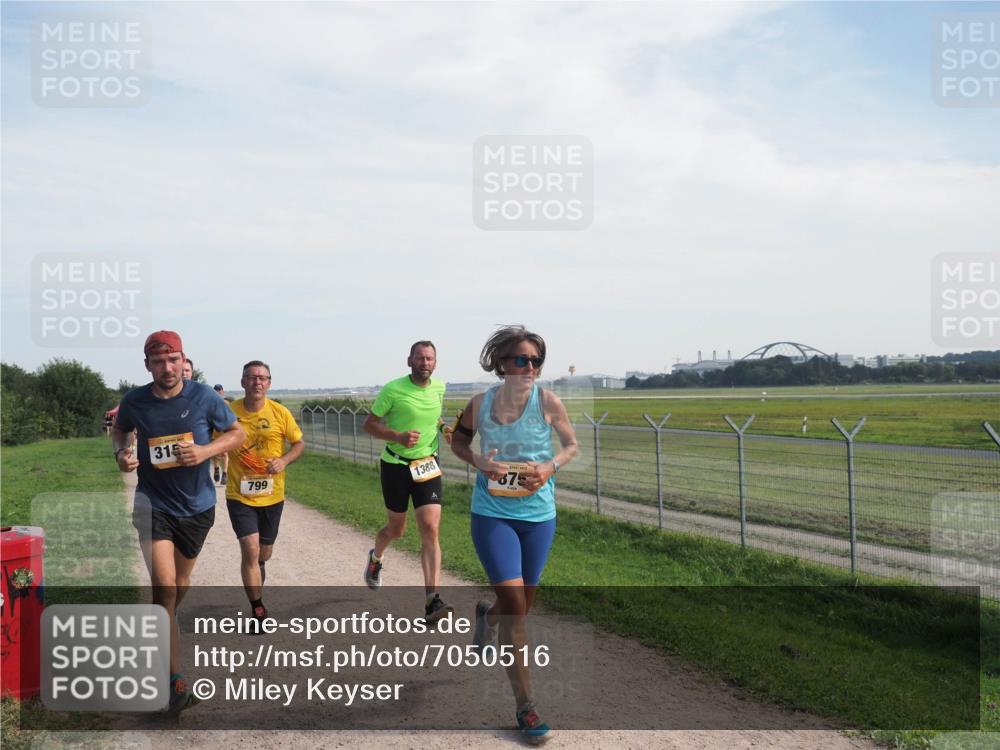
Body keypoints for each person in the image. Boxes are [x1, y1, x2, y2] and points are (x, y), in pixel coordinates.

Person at [450, 325, 578, 745]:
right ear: (501, 363)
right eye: (521, 359)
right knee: (515, 605)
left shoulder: (549, 401)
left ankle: (486, 618)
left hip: (539, 517)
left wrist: (550, 467)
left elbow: (571, 446)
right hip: (492, 515)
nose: (529, 367)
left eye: (535, 361)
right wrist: (478, 461)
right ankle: (526, 707)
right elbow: (458, 442)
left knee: (519, 607)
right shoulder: (479, 403)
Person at [111, 331, 244, 716]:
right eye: (158, 362)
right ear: (147, 365)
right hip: (153, 504)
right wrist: (121, 453)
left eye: (173, 360)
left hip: (197, 507)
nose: (167, 368)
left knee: (176, 588)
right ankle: (175, 682)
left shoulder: (204, 397)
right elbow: (120, 428)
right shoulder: (135, 401)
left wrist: (205, 451)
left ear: (184, 360)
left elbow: (238, 433)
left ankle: (159, 624)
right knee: (166, 586)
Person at [362, 340, 451, 623]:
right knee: (396, 530)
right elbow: (369, 424)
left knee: (430, 528)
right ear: (409, 361)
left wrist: (444, 428)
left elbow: (433, 416)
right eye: (420, 358)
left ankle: (432, 601)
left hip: (427, 465)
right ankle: (376, 558)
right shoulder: (393, 389)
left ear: (435, 362)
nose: (425, 363)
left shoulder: (439, 388)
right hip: (396, 466)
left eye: (429, 358)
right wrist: (397, 437)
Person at [225, 360, 305, 624]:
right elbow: (213, 440)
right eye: (251, 377)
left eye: (262, 378)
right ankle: (257, 608)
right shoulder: (229, 413)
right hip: (240, 494)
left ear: (269, 383)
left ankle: (258, 570)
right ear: (243, 382)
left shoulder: (280, 412)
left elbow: (298, 444)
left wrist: (283, 460)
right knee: (250, 548)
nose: (257, 382)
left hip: (272, 495)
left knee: (263, 553)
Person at [211, 384, 230, 485]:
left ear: (222, 391)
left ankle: (224, 475)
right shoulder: (210, 403)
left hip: (224, 432)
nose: (218, 392)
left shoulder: (226, 403)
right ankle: (216, 469)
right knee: (215, 454)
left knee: (225, 454)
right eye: (216, 390)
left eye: (219, 390)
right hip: (215, 431)